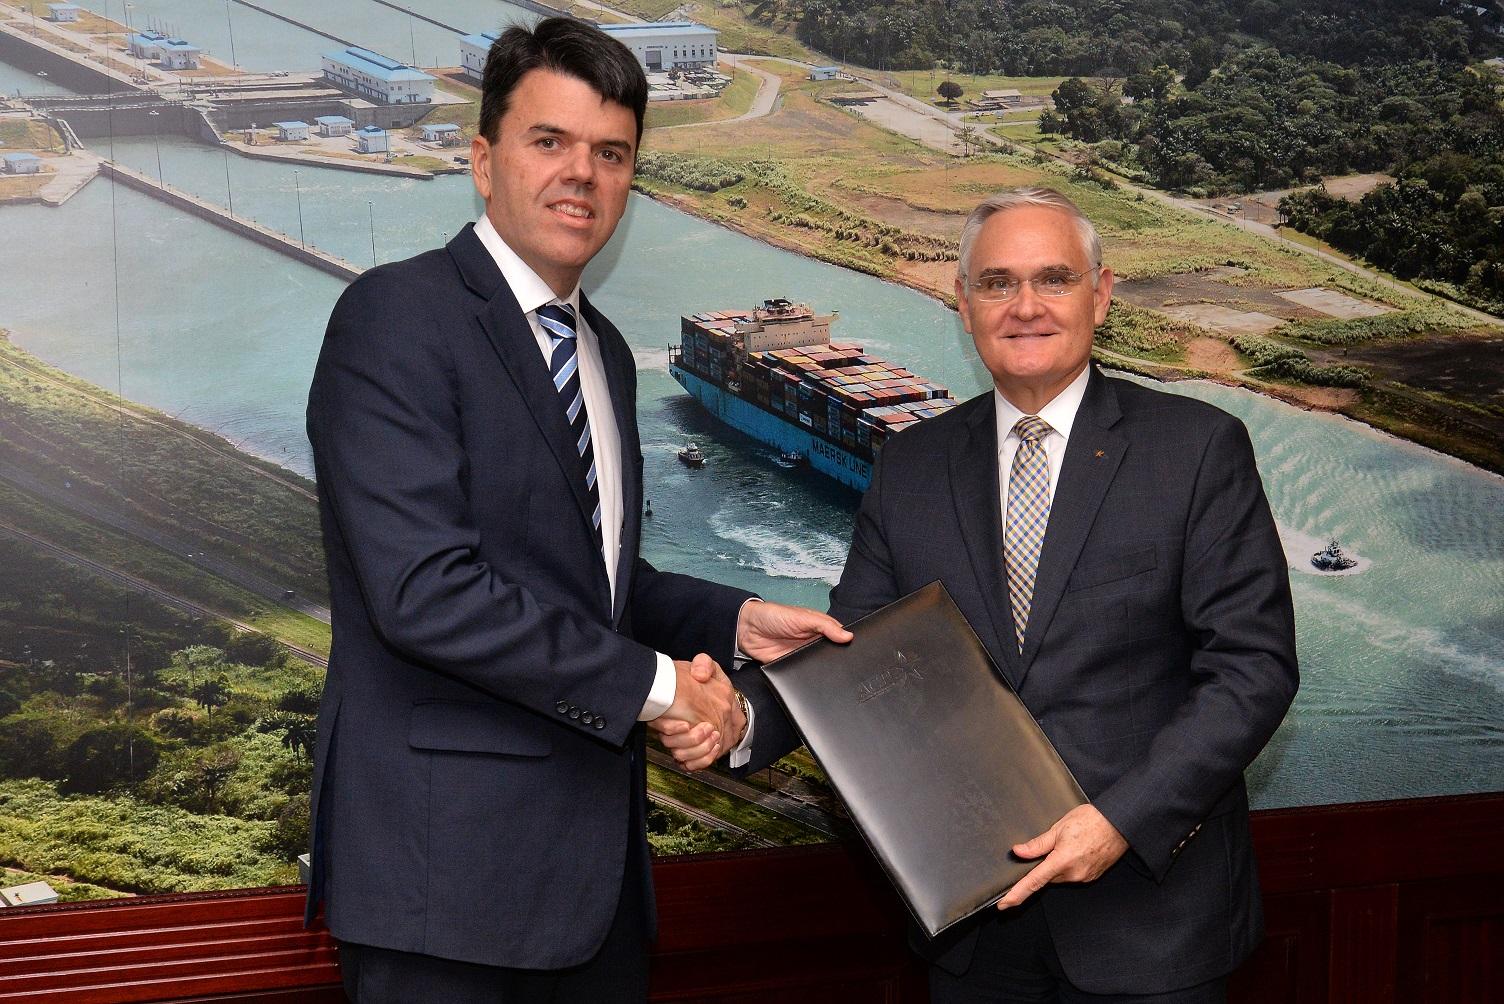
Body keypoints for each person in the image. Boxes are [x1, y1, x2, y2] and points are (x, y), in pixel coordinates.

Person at [303, 19, 847, 1003]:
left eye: (611, 153)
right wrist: (666, 688)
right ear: (483, 161)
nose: (581, 175)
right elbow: (425, 591)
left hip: (595, 894)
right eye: (548, 141)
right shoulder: (396, 316)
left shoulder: (605, 353)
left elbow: (591, 581)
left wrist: (732, 619)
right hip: (445, 893)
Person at [740, 187, 1298, 1001]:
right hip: (975, 936)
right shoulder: (911, 465)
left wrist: (1121, 821)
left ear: (1100, 295)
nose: (1025, 306)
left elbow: (1253, 669)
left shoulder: (1197, 448)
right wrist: (740, 717)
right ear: (964, 304)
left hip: (1151, 927)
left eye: (1054, 279)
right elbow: (855, 658)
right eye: (997, 283)